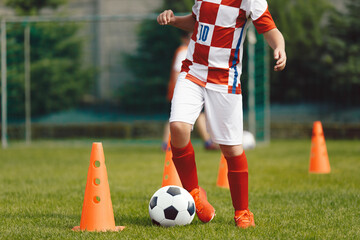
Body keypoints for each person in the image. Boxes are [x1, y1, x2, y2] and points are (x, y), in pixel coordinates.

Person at [157, 0, 286, 228]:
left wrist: (279, 47)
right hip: (193, 70)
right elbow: (198, 21)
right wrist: (174, 19)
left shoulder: (250, 1)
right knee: (178, 127)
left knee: (231, 149)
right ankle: (195, 193)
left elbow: (270, 29)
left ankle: (242, 212)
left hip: (225, 80)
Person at [162, 30, 219, 151]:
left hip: (185, 89)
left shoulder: (187, 51)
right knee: (176, 117)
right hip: (180, 90)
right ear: (184, 39)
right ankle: (167, 143)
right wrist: (180, 90)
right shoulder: (183, 51)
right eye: (190, 37)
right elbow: (178, 71)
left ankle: (207, 141)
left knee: (198, 115)